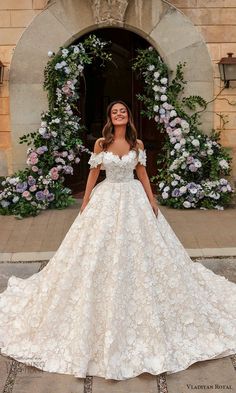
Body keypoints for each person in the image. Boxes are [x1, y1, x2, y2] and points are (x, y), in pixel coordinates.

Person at [0, 100, 235, 381]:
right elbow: (94, 174)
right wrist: (85, 201)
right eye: (115, 112)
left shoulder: (137, 145)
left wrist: (152, 200)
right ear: (110, 118)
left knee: (144, 254)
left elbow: (143, 173)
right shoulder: (102, 143)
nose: (119, 114)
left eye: (123, 111)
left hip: (134, 199)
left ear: (128, 116)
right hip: (107, 198)